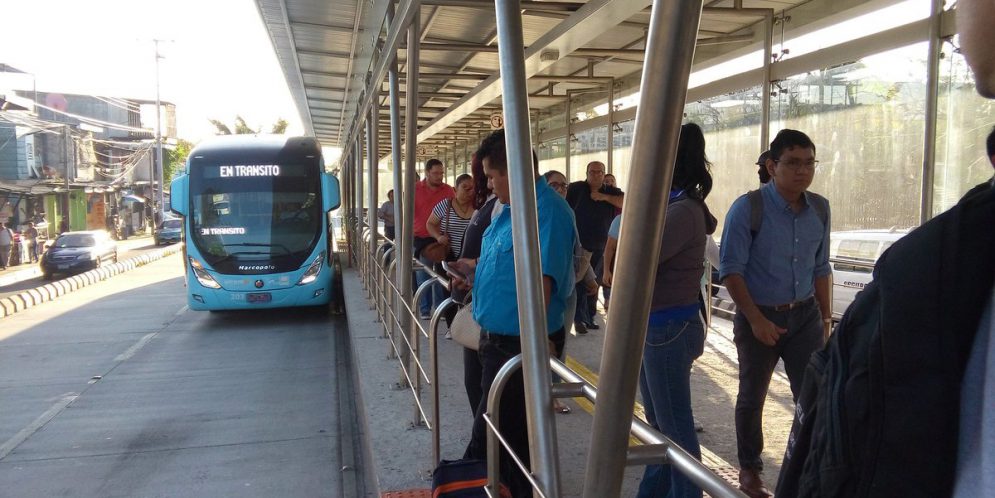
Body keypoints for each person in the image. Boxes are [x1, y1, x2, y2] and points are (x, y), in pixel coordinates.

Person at [455, 130, 575, 498]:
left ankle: (465, 487)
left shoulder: (548, 213)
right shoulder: (507, 209)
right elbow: (503, 264)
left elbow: (543, 286)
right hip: (491, 340)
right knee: (508, 441)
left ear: (515, 171)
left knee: (491, 438)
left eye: (493, 176)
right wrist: (472, 271)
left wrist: (537, 345)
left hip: (518, 346)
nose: (489, 185)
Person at [720, 129, 832, 498]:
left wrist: (826, 320)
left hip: (805, 317)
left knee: (813, 393)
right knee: (753, 396)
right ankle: (750, 468)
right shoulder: (748, 208)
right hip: (759, 316)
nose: (803, 171)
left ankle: (809, 465)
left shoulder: (820, 208)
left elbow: (821, 268)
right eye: (793, 163)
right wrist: (755, 320)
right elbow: (731, 271)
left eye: (809, 163)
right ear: (772, 166)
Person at [636, 122, 717, 498]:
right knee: (659, 424)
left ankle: (686, 493)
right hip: (657, 325)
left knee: (674, 426)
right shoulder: (673, 206)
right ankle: (653, 492)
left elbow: (640, 259)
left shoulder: (682, 211)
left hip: (668, 327)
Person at [566, 161, 624, 334]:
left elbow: (627, 202)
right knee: (579, 282)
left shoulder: (610, 191)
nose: (596, 175)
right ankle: (578, 318)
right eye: (592, 172)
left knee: (595, 283)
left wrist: (604, 197)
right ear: (587, 173)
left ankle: (589, 317)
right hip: (580, 246)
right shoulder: (577, 188)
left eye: (600, 172)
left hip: (602, 246)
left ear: (604, 174)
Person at [427, 174, 475, 332]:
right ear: (455, 189)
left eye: (472, 188)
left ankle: (468, 326)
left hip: (469, 258)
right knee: (449, 291)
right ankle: (452, 326)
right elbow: (430, 223)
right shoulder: (445, 205)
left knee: (468, 291)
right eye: (465, 188)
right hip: (448, 257)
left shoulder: (477, 206)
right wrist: (439, 237)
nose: (469, 192)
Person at [413, 158, 456, 319]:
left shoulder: (448, 190)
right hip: (421, 237)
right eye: (436, 173)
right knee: (423, 273)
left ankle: (440, 307)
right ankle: (425, 309)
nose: (439, 176)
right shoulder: (415, 189)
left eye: (441, 173)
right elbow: (407, 213)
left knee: (441, 274)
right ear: (427, 173)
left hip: (441, 239)